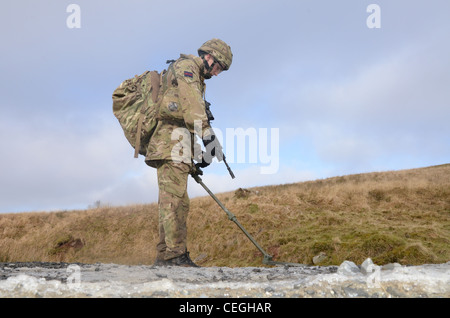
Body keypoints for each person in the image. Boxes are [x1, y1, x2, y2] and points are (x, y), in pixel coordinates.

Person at [145, 39, 233, 267]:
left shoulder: (197, 77)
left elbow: (188, 118)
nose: (217, 73)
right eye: (218, 67)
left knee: (176, 201)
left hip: (178, 145)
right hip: (170, 144)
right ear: (209, 56)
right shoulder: (188, 68)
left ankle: (166, 256)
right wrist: (209, 139)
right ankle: (174, 256)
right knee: (174, 202)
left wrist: (199, 157)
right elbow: (193, 110)